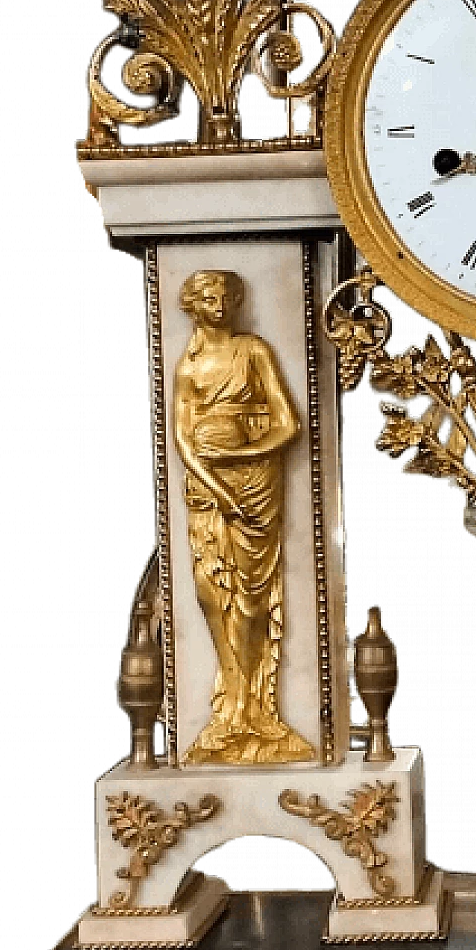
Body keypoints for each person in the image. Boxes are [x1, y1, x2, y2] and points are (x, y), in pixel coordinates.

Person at [173, 269, 315, 765]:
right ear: (193, 304)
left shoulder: (252, 350)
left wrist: (245, 455)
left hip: (256, 485)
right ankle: (230, 704)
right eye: (207, 296)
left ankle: (255, 706)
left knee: (253, 599)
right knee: (211, 592)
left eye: (225, 295)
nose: (217, 303)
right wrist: (215, 483)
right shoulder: (189, 366)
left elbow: (289, 423)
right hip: (208, 491)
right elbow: (183, 441)